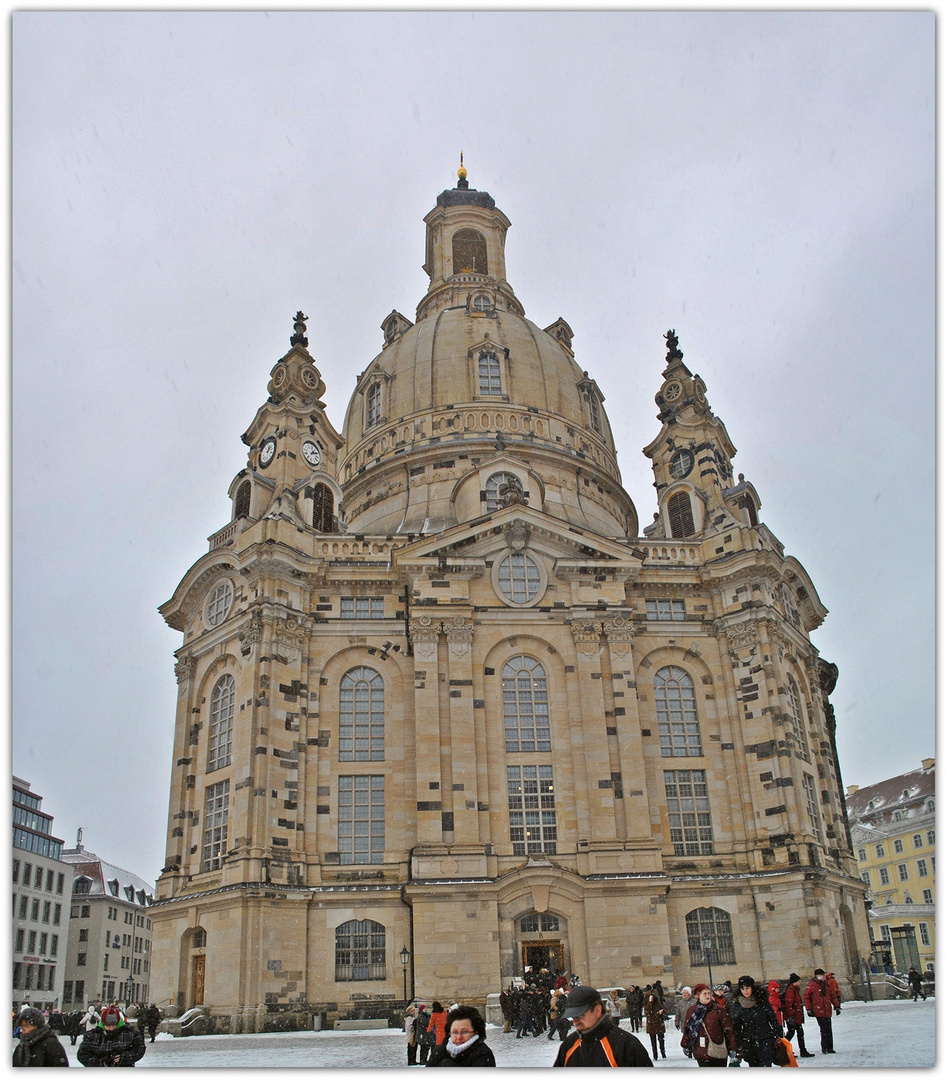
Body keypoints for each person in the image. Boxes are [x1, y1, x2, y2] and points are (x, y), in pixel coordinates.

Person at [552, 985, 653, 1067]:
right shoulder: (569, 1045)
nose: (575, 1021)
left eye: (580, 1014)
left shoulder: (626, 1046)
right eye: (572, 1016)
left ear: (597, 1010)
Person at [729, 975, 781, 1067]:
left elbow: (772, 1018)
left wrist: (777, 1033)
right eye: (742, 989)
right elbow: (736, 1025)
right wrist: (739, 1043)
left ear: (752, 987)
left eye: (747, 988)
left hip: (765, 1039)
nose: (745, 991)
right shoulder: (738, 1004)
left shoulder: (761, 1001)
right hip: (749, 1042)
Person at [680, 983, 737, 1068]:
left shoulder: (718, 1009)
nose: (708, 996)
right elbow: (688, 1029)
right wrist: (685, 1044)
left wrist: (732, 1047)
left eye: (709, 993)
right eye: (705, 994)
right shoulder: (692, 1011)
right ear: (698, 995)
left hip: (718, 1050)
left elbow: (728, 1029)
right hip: (701, 1051)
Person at [77, 1005, 146, 1068]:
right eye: (107, 1026)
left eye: (113, 1025)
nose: (110, 1028)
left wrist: (125, 1057)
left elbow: (140, 1048)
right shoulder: (92, 1035)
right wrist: (99, 1062)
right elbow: (82, 1054)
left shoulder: (130, 1033)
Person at [426, 1005, 495, 1067]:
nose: (459, 1037)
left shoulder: (482, 1054)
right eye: (455, 1032)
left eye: (465, 1032)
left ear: (476, 1032)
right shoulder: (438, 1052)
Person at [802, 968, 839, 1055]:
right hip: (818, 1010)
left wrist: (837, 1006)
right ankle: (825, 1047)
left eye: (823, 975)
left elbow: (832, 996)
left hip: (827, 1010)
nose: (823, 977)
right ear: (817, 976)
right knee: (824, 1029)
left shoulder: (826, 984)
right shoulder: (812, 985)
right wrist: (809, 1009)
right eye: (821, 975)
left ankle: (830, 1047)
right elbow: (806, 997)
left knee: (828, 1029)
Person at [781, 973, 813, 1057]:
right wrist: (792, 1015)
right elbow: (789, 1004)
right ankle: (783, 1049)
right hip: (793, 1017)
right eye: (799, 981)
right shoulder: (791, 990)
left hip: (795, 1016)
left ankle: (800, 1050)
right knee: (792, 1033)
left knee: (797, 1033)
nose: (801, 982)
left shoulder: (794, 989)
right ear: (795, 982)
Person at [643, 985, 666, 1060]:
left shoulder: (658, 1002)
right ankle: (655, 1055)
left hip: (659, 1023)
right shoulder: (647, 1001)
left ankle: (663, 1053)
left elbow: (663, 1008)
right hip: (651, 1024)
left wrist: (661, 1011)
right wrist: (650, 1002)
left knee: (661, 1039)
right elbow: (647, 1011)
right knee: (653, 1041)